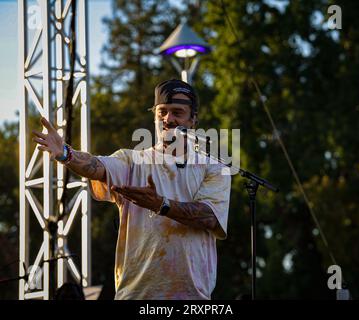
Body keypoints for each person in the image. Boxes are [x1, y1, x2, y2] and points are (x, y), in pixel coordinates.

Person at [32, 79, 231, 300]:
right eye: (161, 112)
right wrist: (66, 154)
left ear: (193, 120)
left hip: (192, 296)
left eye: (177, 112)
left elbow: (209, 217)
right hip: (135, 293)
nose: (168, 119)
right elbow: (96, 166)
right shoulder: (132, 160)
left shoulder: (213, 166)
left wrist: (161, 205)